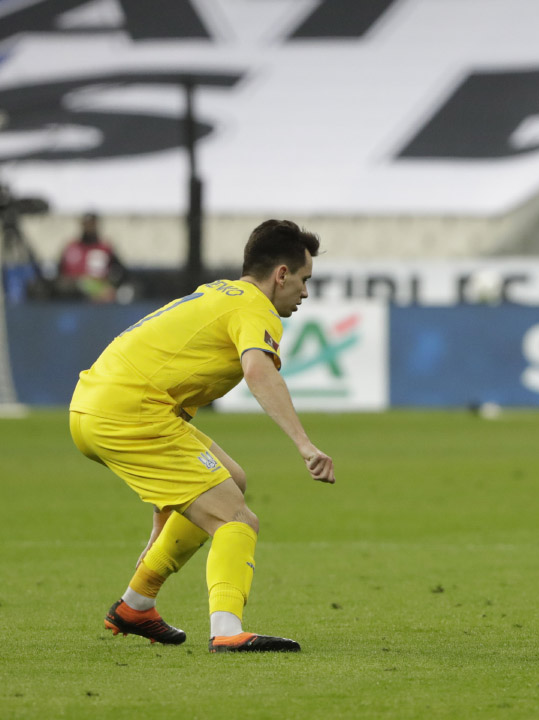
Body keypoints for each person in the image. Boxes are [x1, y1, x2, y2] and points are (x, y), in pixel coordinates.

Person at [69, 219, 336, 653]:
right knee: (237, 519)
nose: (305, 292)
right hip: (129, 412)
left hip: (96, 404)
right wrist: (304, 445)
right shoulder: (255, 309)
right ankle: (227, 630)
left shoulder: (217, 292)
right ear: (281, 275)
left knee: (232, 477)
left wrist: (160, 528)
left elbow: (172, 445)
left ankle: (137, 603)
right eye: (304, 280)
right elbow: (257, 369)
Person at [56, 212, 127, 302]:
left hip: (99, 299)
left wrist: (111, 288)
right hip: (73, 296)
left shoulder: (105, 248)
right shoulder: (71, 247)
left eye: (92, 224)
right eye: (86, 224)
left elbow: (120, 272)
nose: (89, 227)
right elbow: (60, 272)